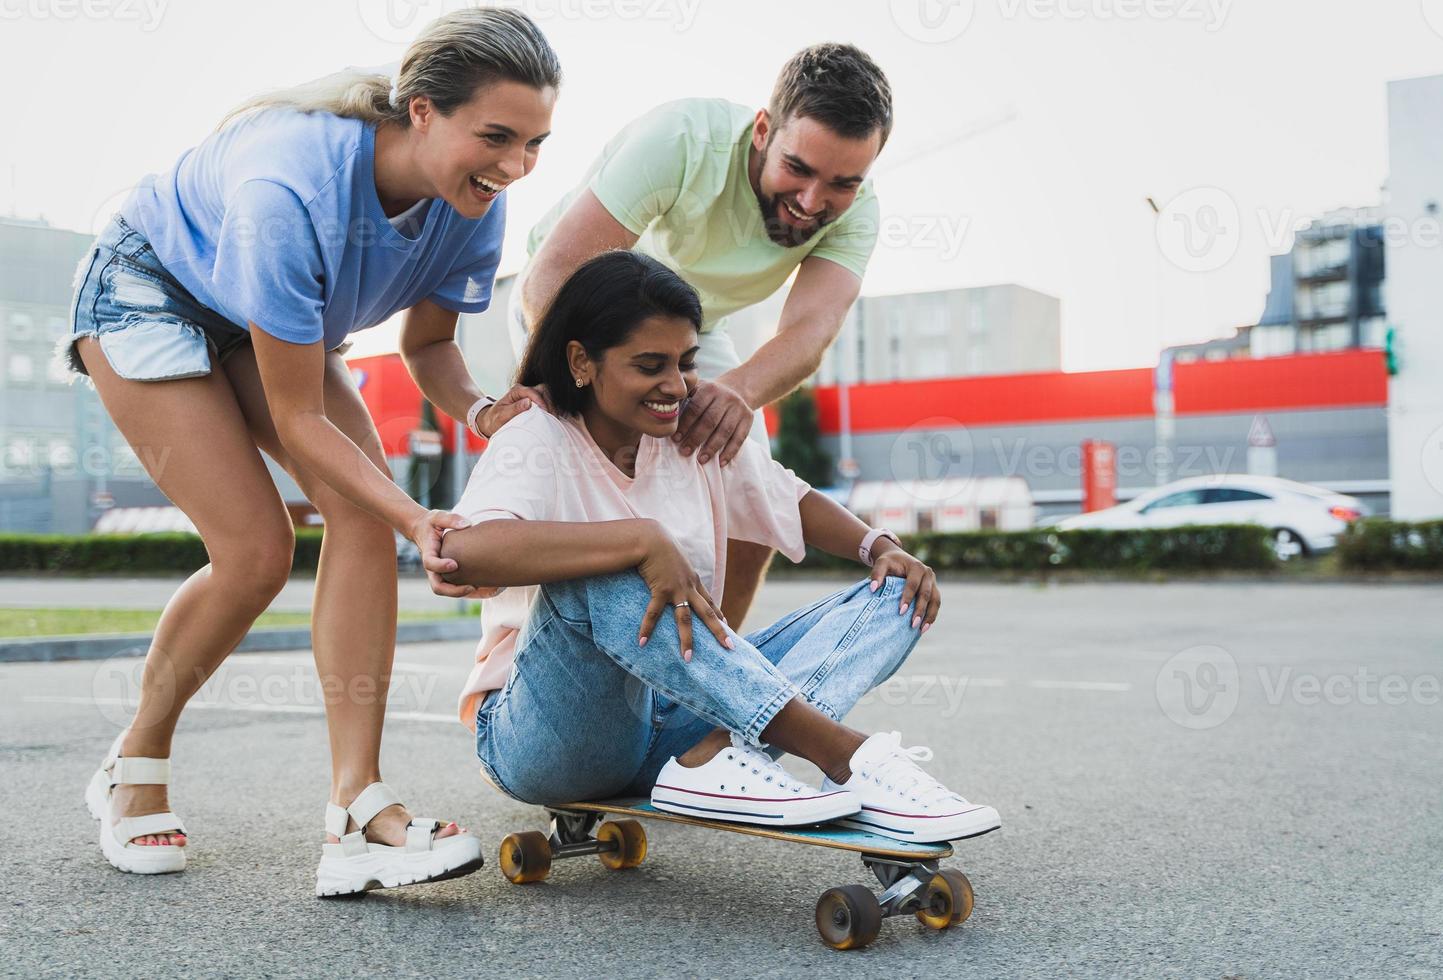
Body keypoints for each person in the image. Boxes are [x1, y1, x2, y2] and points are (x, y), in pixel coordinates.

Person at [67, 8, 559, 894]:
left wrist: (482, 411)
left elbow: (431, 348)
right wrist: (415, 516)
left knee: (361, 519)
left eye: (534, 144)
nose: (514, 165)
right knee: (256, 553)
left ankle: (357, 813)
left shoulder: (476, 204)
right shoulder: (288, 188)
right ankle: (134, 761)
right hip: (152, 289)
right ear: (420, 109)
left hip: (262, 317)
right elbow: (300, 420)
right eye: (496, 137)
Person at [442, 251, 999, 843]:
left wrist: (878, 545)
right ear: (582, 361)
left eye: (685, 363)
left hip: (676, 718)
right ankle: (847, 758)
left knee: (898, 593)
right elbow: (465, 552)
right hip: (548, 737)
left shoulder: (689, 434)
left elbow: (789, 497)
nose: (676, 386)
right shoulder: (536, 435)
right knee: (604, 571)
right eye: (650, 365)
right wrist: (638, 539)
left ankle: (716, 753)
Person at [511, 43, 891, 633]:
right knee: (590, 479)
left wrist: (733, 393)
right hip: (573, 308)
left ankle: (710, 693)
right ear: (764, 130)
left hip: (695, 330)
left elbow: (809, 332)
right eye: (799, 169)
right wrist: (570, 392)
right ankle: (516, 660)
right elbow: (552, 277)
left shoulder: (858, 212)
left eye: (841, 183)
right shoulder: (682, 139)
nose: (812, 202)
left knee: (750, 498)